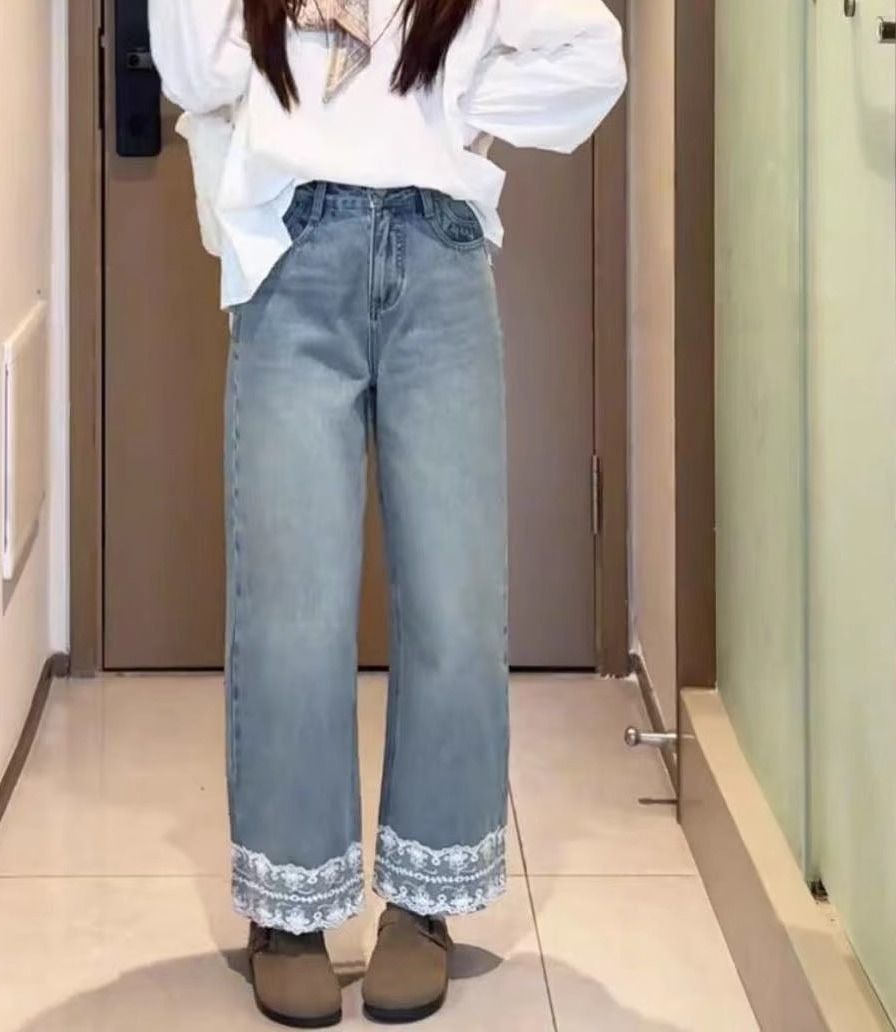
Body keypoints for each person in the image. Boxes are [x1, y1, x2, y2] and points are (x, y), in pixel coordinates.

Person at [150, 0, 625, 1025]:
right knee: (292, 606)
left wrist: (458, 94)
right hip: (293, 254)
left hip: (440, 254)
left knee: (457, 602)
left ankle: (423, 901)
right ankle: (289, 908)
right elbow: (189, 66)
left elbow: (596, 58)